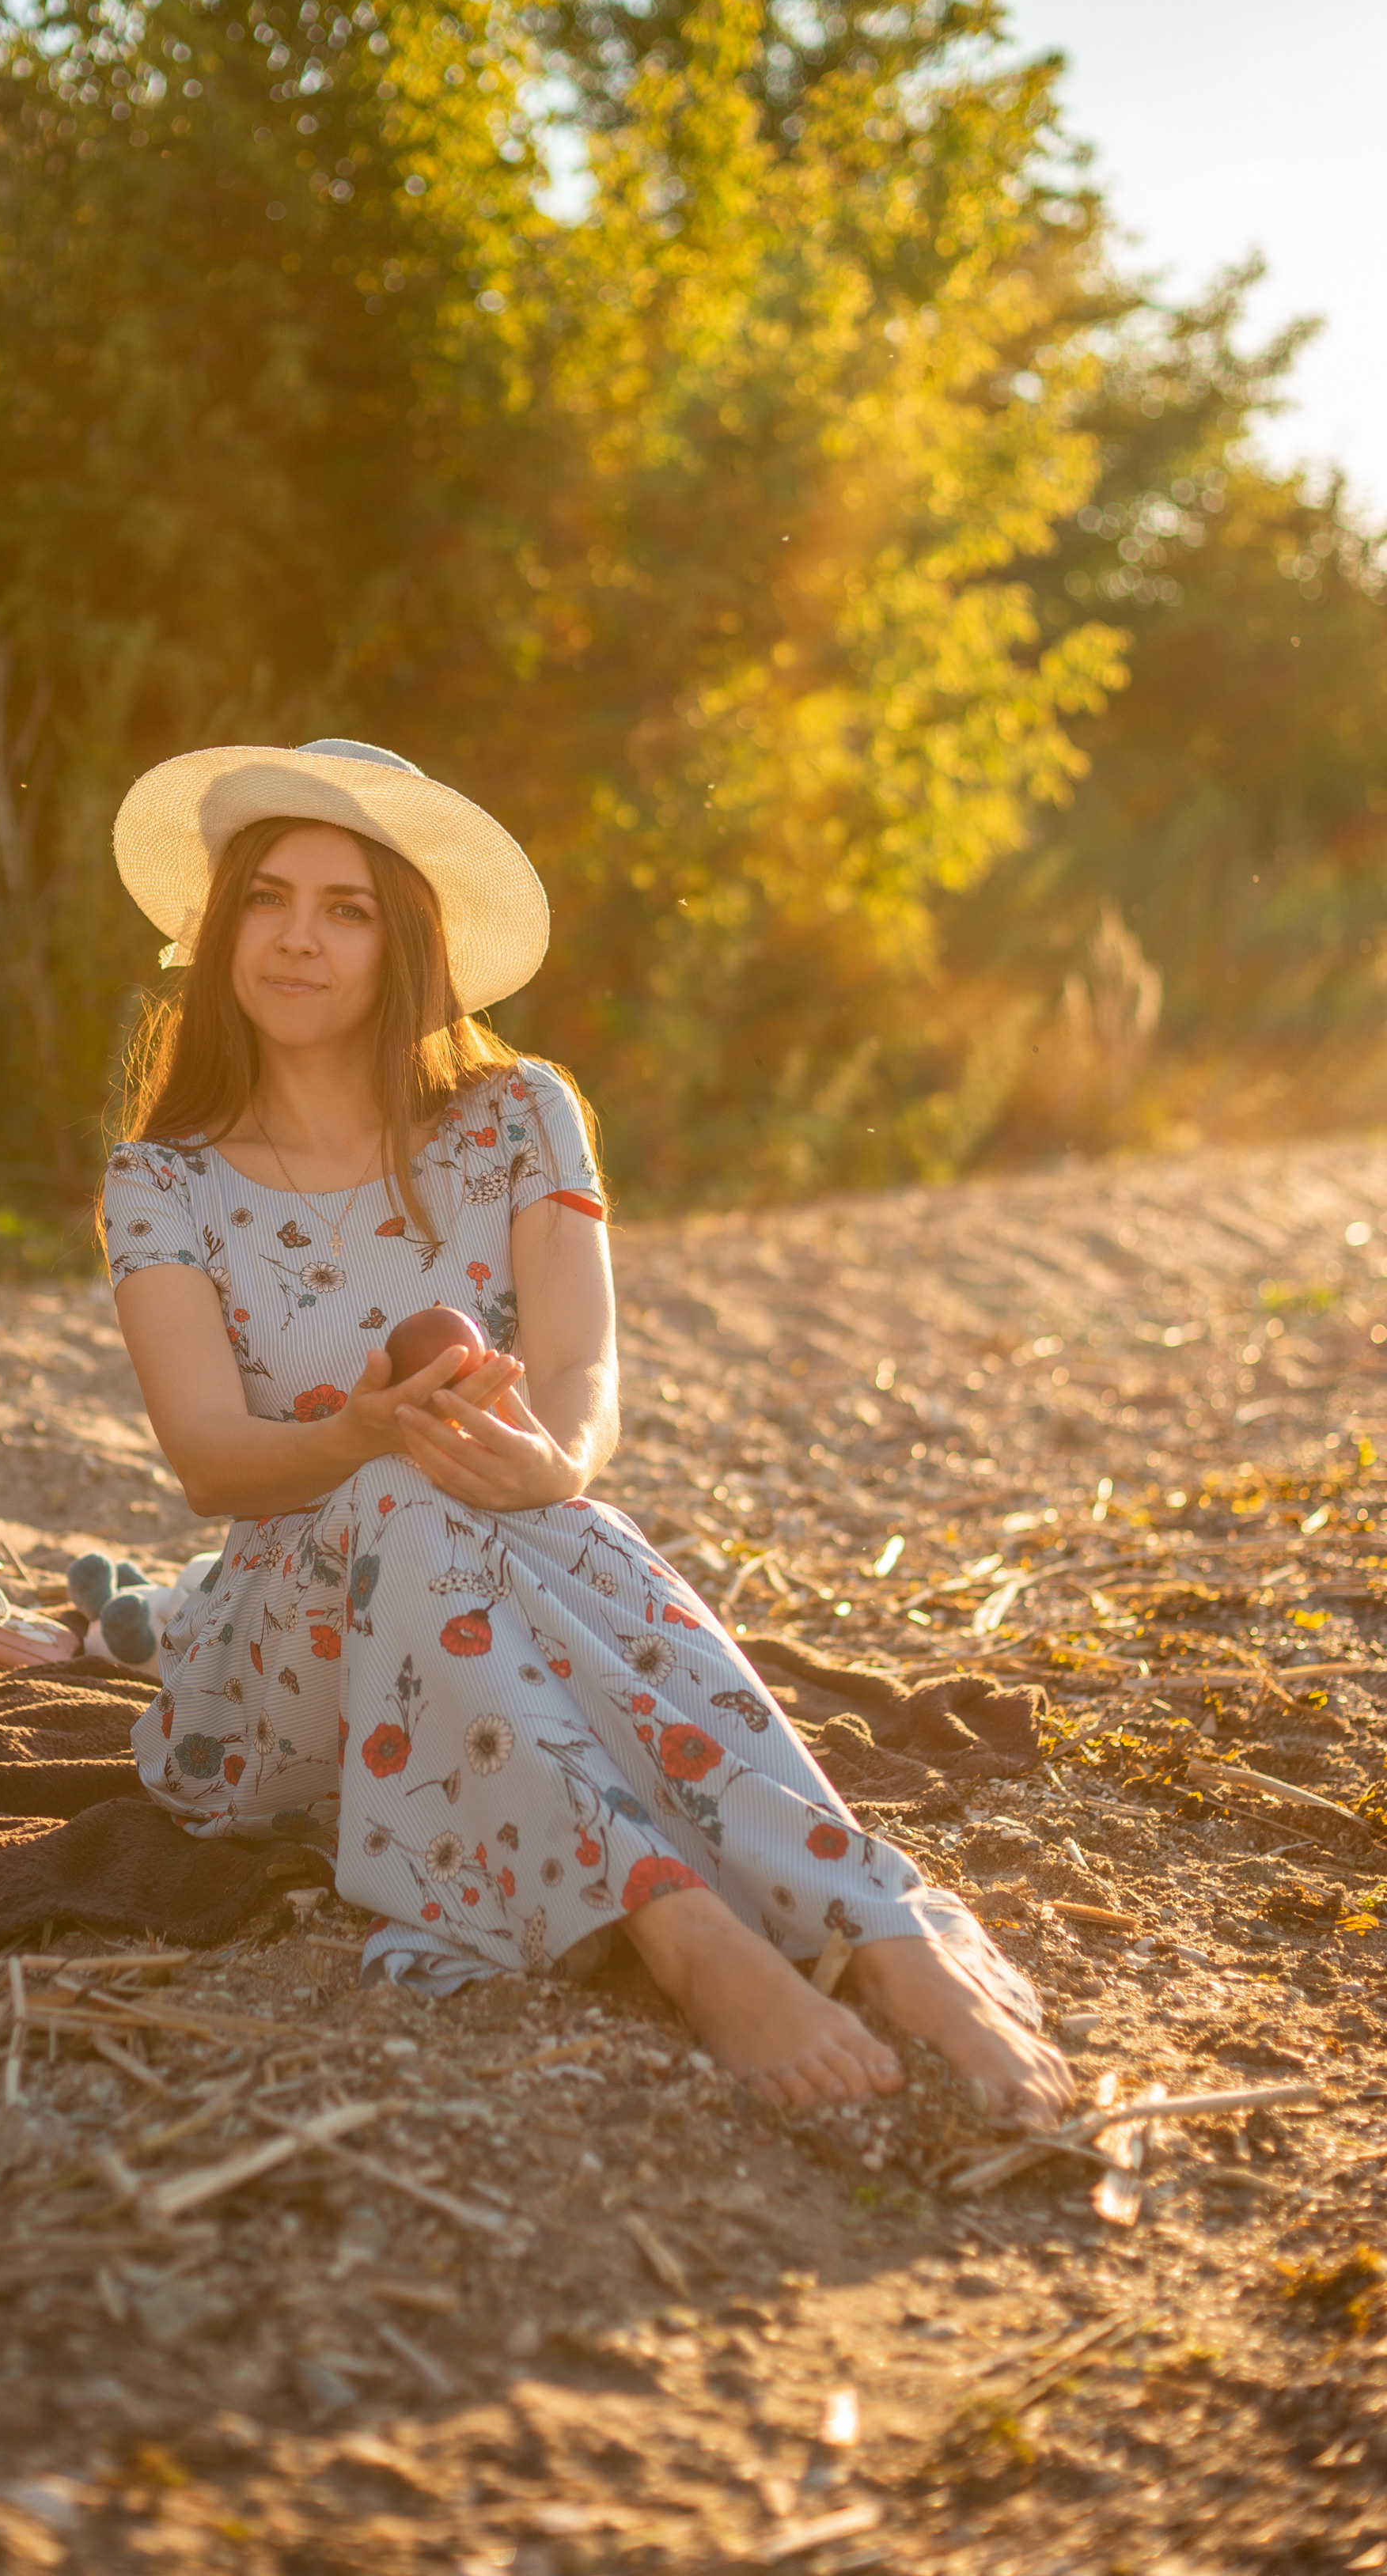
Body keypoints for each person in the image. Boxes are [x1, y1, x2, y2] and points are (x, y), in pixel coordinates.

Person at [103, 739, 1071, 2124]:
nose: (298, 938)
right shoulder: (164, 1181)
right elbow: (207, 1461)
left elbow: (578, 1366)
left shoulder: (519, 1117)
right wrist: (365, 1433)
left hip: (505, 1551)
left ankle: (884, 1931)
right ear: (219, 929)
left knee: (559, 1513)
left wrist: (551, 1461)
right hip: (278, 1680)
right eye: (267, 899)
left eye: (346, 908)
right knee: (397, 1494)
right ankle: (693, 1938)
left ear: (407, 943)